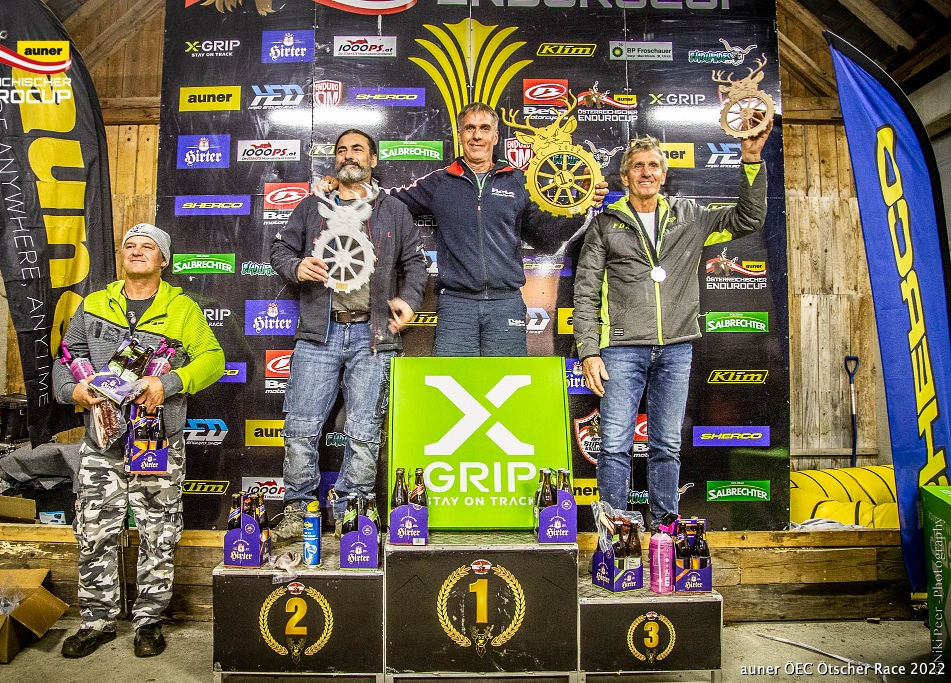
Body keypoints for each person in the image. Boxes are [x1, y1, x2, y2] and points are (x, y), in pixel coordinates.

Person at [573, 118, 774, 528]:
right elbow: (585, 291)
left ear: (664, 175)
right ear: (625, 177)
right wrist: (589, 352)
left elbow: (748, 219)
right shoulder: (606, 224)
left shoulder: (690, 216)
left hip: (677, 348)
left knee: (666, 443)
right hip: (622, 349)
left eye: (654, 166)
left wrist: (752, 159)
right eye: (638, 166)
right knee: (614, 445)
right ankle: (615, 530)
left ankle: (665, 527)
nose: (646, 172)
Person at [53, 223, 225, 658]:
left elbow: (213, 359)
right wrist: (73, 391)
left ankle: (149, 623)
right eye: (130, 245)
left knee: (158, 533)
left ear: (163, 260)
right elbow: (67, 357)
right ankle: (96, 622)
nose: (136, 251)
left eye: (148, 246)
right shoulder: (95, 304)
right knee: (94, 532)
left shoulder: (182, 308)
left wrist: (168, 383)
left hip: (155, 440)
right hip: (101, 442)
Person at [323, 102, 605, 356]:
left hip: (506, 303)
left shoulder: (518, 182)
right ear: (460, 136)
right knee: (451, 387)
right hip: (456, 306)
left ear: (495, 136)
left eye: (484, 128)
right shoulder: (440, 183)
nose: (477, 136)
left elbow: (547, 239)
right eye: (470, 128)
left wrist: (580, 205)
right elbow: (388, 201)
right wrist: (347, 186)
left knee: (507, 386)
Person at [268, 129, 427, 540]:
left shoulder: (393, 210)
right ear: (335, 160)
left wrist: (409, 299)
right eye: (341, 150)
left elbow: (415, 263)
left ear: (373, 159)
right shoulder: (313, 206)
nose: (348, 155)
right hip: (318, 335)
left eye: (358, 149)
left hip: (373, 336)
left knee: (364, 432)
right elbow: (280, 251)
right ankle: (299, 511)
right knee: (300, 428)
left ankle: (351, 514)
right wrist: (295, 267)